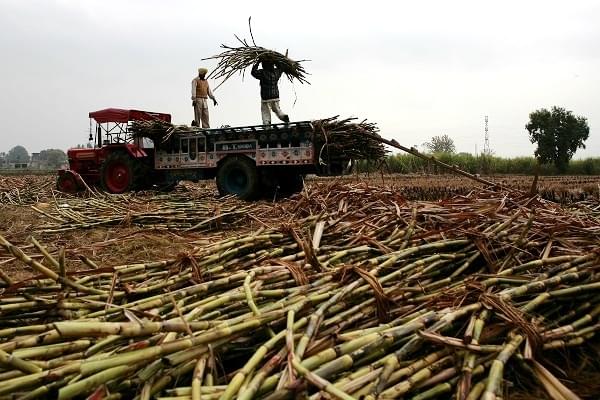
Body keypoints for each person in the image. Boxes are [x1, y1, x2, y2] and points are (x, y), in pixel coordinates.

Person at [251, 60, 290, 125]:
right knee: (277, 109)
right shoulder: (276, 72)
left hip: (266, 97)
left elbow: (253, 72)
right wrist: (276, 61)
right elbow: (282, 67)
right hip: (275, 96)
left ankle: (267, 124)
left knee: (265, 112)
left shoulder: (262, 72)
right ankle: (283, 116)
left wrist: (257, 62)